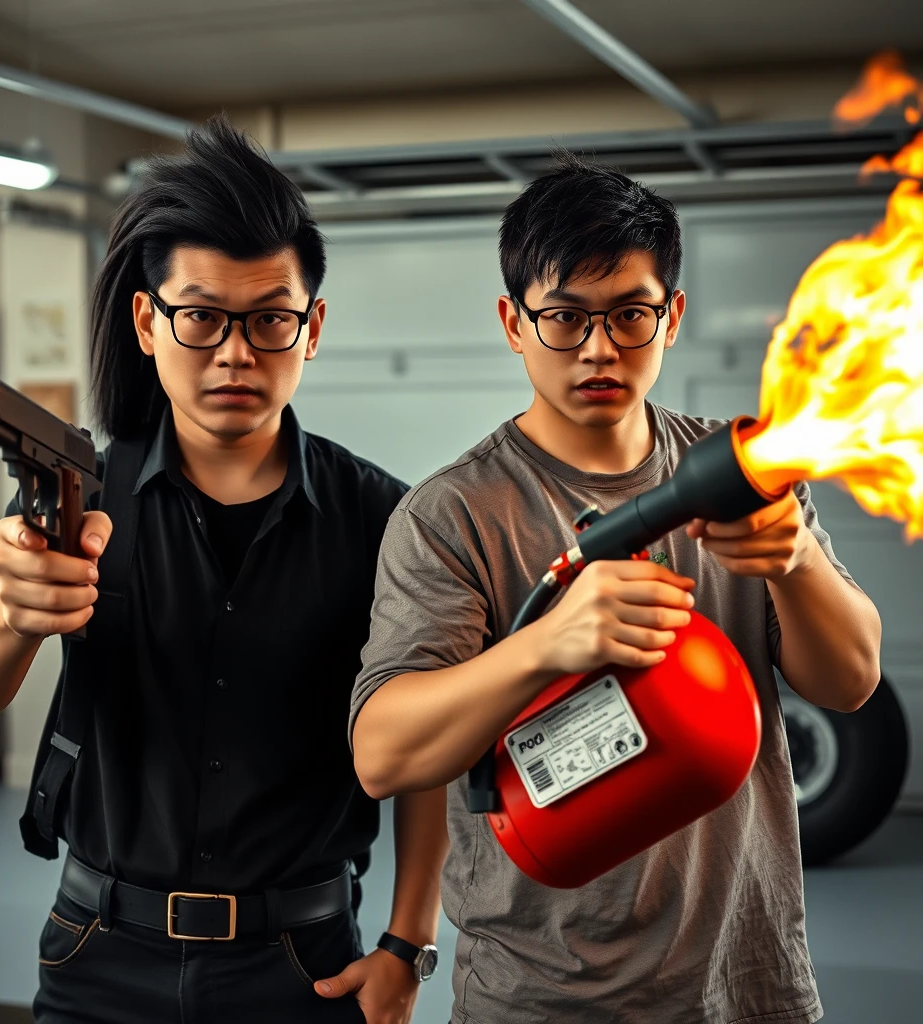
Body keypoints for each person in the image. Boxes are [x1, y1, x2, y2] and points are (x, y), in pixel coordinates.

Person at [0, 115, 447, 1024]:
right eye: (200, 317)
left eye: (269, 320)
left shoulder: (385, 518)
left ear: (311, 329)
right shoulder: (80, 493)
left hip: (304, 963)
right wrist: (13, 608)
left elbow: (426, 749)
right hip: (97, 955)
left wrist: (407, 944)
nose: (235, 353)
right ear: (147, 322)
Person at [349, 155, 882, 1024]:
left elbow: (851, 680)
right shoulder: (453, 515)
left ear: (671, 317)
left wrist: (797, 563)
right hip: (539, 1000)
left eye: (630, 313)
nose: (598, 347)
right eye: (564, 316)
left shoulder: (742, 476)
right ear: (513, 324)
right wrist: (546, 645)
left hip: (751, 987)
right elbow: (382, 753)